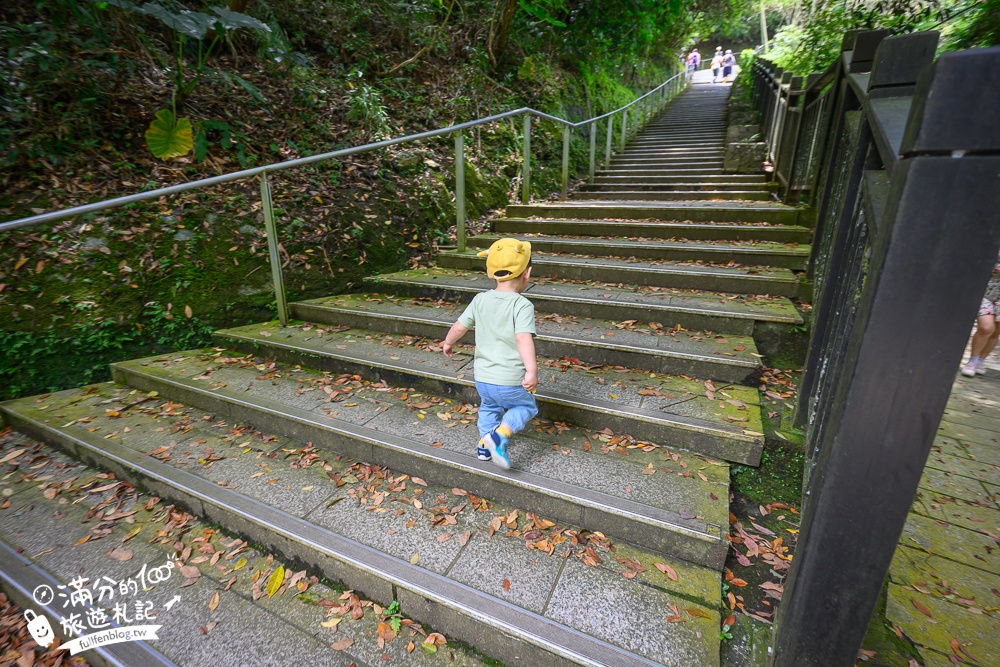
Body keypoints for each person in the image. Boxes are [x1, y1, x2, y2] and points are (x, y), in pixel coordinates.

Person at [442, 238, 538, 470]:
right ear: (527, 273)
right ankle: (499, 436)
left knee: (489, 407)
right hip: (509, 380)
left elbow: (459, 326)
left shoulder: (480, 300)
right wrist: (532, 370)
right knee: (526, 407)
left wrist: (448, 342)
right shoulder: (522, 305)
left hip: (483, 378)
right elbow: (522, 337)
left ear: (489, 272)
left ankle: (484, 447)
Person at [961, 252, 1000, 377]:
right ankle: (972, 361)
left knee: (996, 332)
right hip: (986, 293)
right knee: (986, 327)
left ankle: (980, 361)